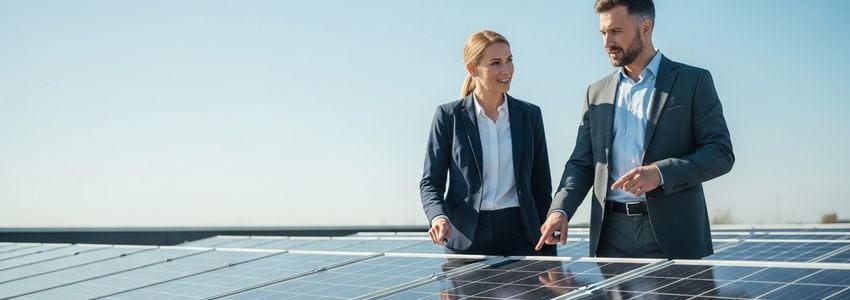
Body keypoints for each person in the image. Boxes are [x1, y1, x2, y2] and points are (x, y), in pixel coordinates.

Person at [536, 0, 734, 259]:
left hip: (674, 233)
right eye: (603, 33)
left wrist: (659, 173)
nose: (607, 43)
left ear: (645, 28)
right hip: (610, 235)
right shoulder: (596, 93)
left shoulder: (693, 81)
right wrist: (559, 210)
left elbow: (720, 153)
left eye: (616, 31)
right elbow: (582, 164)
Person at [420, 30, 555, 256]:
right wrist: (438, 217)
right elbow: (430, 182)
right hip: (465, 237)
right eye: (496, 63)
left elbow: (541, 185)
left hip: (522, 234)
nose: (506, 69)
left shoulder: (530, 115)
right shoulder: (448, 116)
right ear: (472, 69)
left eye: (509, 60)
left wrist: (549, 249)